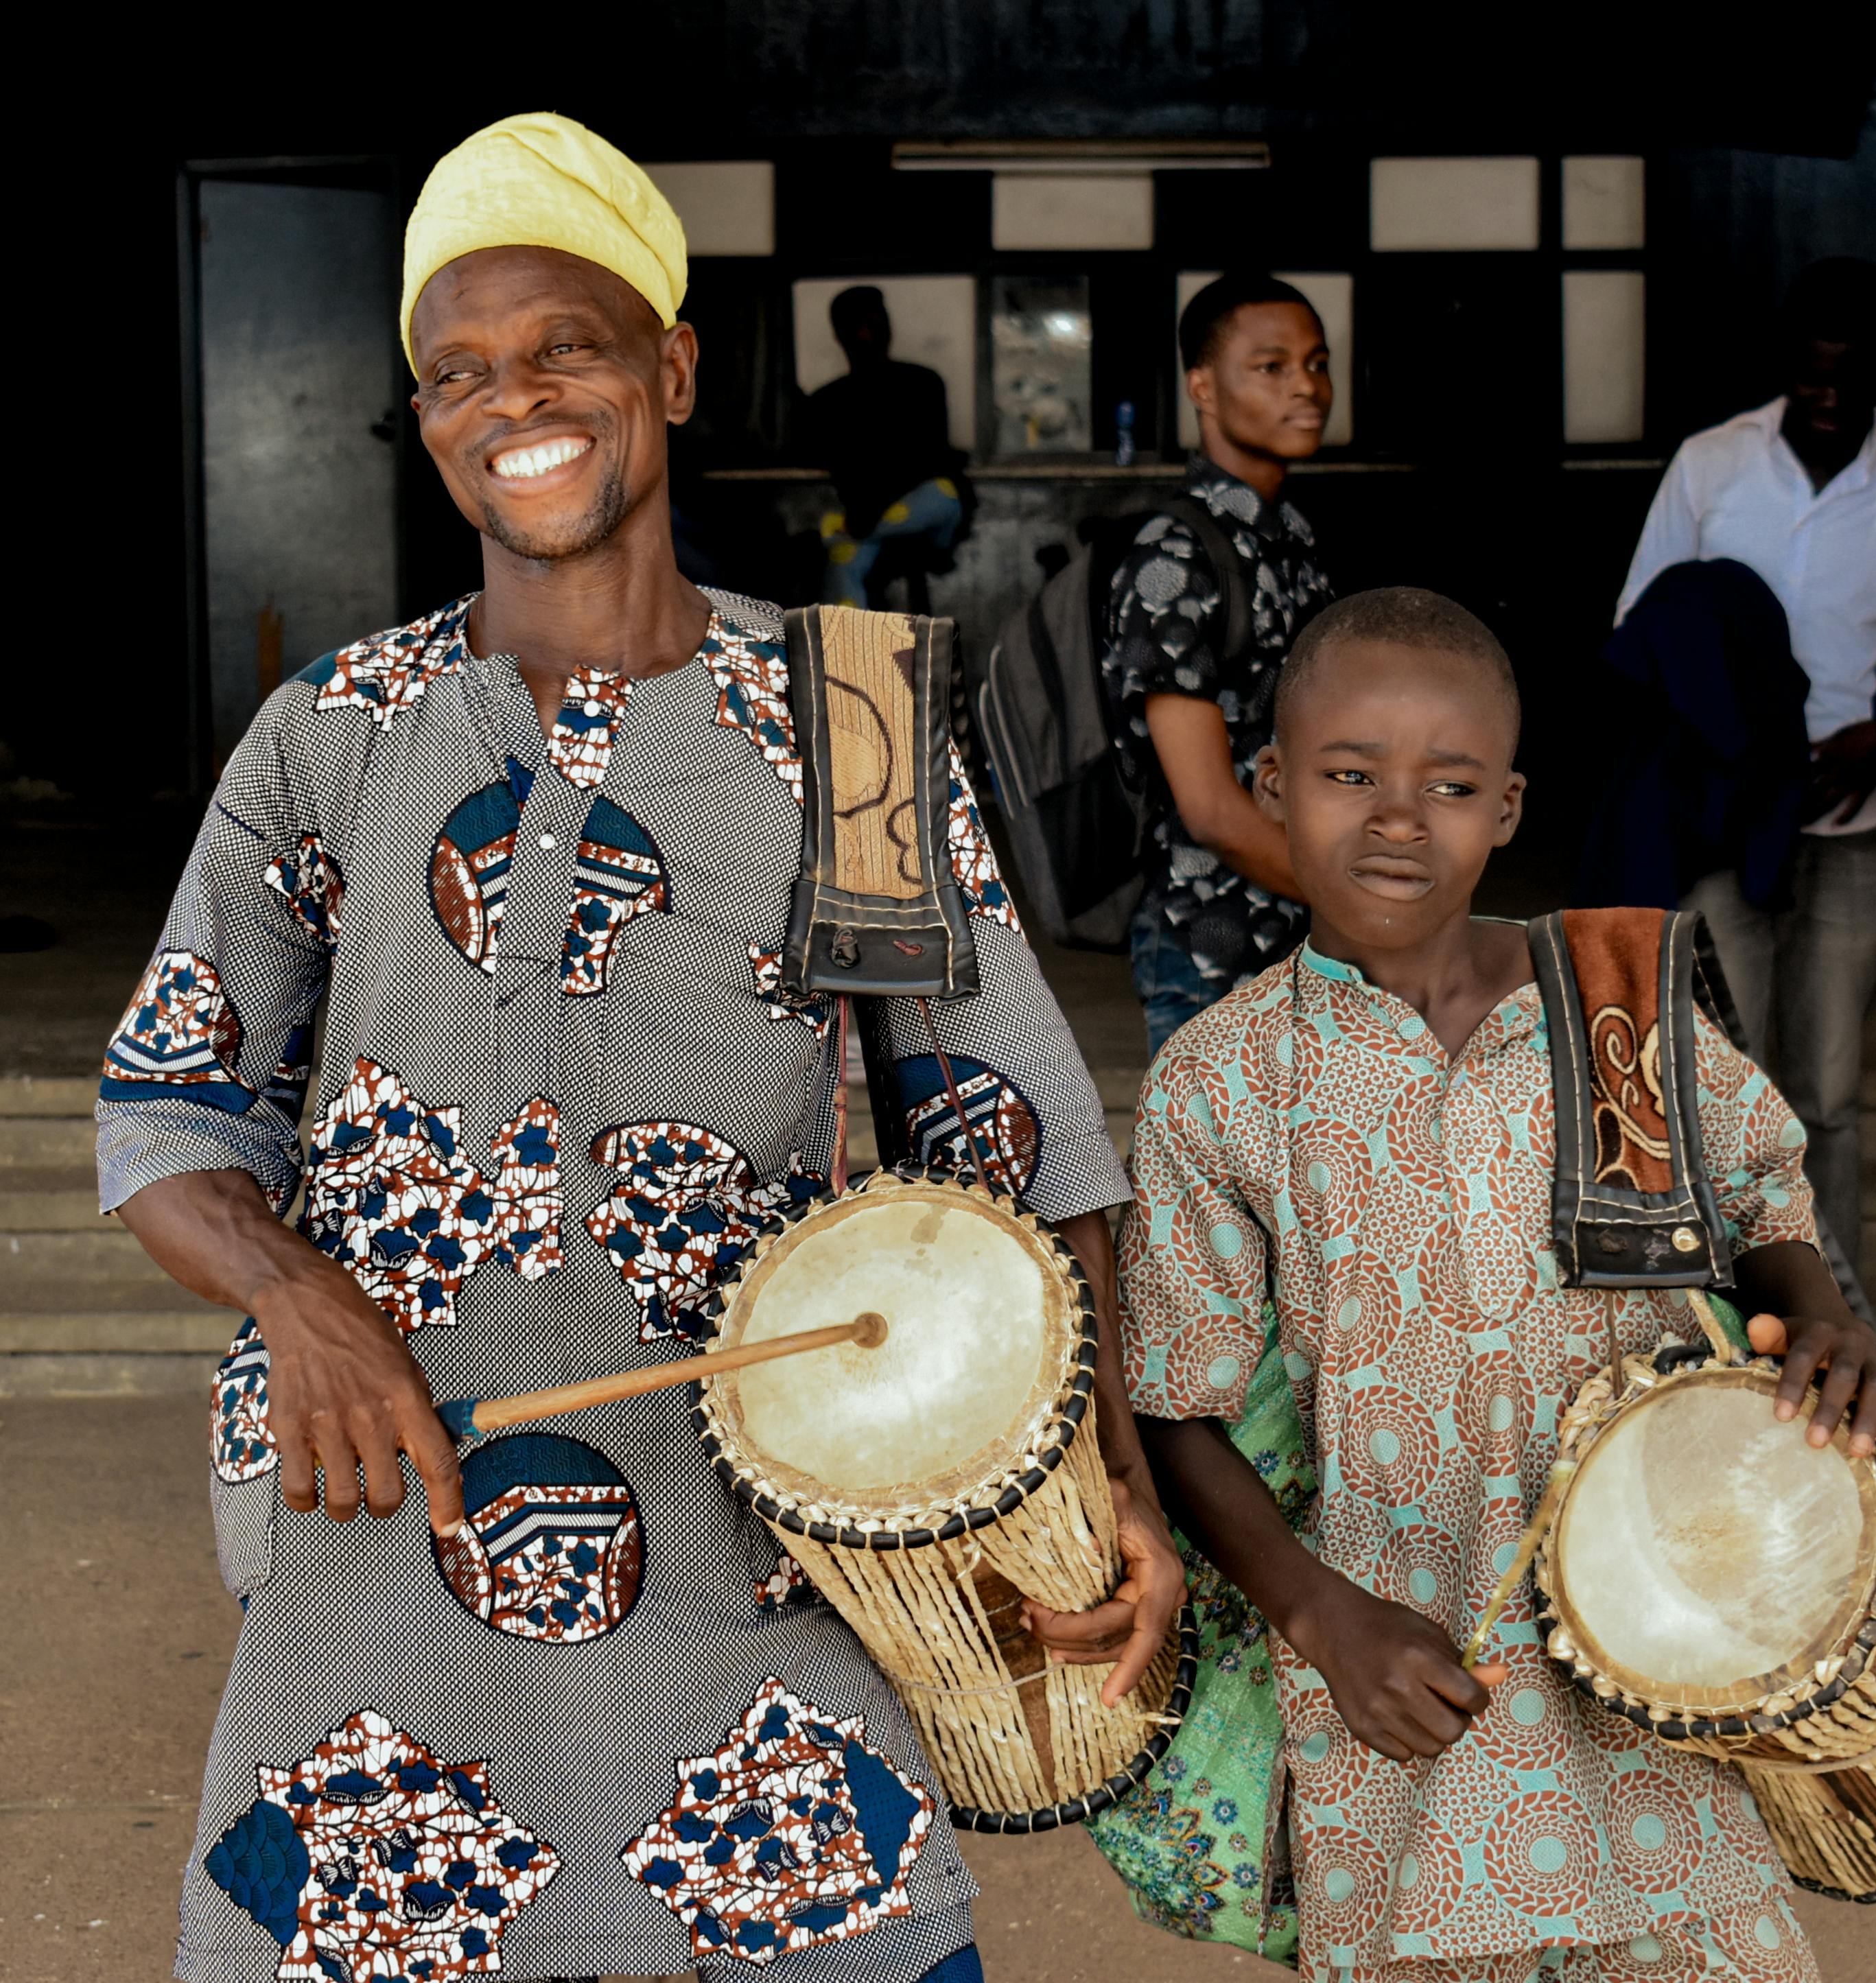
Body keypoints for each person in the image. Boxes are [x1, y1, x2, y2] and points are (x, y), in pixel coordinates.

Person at [99, 113, 1180, 1983]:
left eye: (560, 349)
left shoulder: (843, 724)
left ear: (671, 369)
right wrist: (297, 1295)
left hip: (769, 1530)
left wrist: (1115, 1502)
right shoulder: (328, 733)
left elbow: (1010, 1155)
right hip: (386, 1525)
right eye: (454, 372)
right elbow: (168, 1110)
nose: (505, 401)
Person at [1118, 587, 1876, 1982]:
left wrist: (1830, 1313)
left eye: (1448, 784)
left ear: (1507, 806)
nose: (1394, 817)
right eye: (1349, 774)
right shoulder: (1224, 1076)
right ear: (1271, 786)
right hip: (1400, 1660)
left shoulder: (1615, 1005)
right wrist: (1316, 1610)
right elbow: (1176, 1403)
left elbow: (1759, 1192)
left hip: (1663, 1642)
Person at [1614, 258, 1876, 1265]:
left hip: (1851, 825)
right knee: (1720, 1080)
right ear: (1788, 365)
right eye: (1812, 378)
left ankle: (1837, 1319)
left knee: (1825, 1091)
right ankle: (1735, 1324)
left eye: (1851, 380)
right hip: (1724, 817)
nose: (1829, 401)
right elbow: (1640, 627)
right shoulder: (1711, 464)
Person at [1101, 272, 1337, 1055]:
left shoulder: (1291, 539)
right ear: (1202, 386)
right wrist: (1369, 908)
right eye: (1271, 367)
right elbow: (1209, 808)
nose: (1306, 387)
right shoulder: (1173, 560)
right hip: (1212, 950)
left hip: (1308, 944)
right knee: (1216, 1179)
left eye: (1316, 362)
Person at [801, 286, 963, 608]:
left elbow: (929, 460)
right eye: (857, 326)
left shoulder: (923, 383)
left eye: (875, 324)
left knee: (941, 496)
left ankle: (850, 530)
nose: (867, 334)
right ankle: (848, 656)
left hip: (914, 512)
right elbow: (841, 467)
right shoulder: (826, 401)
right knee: (844, 562)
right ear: (840, 335)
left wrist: (863, 517)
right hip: (865, 514)